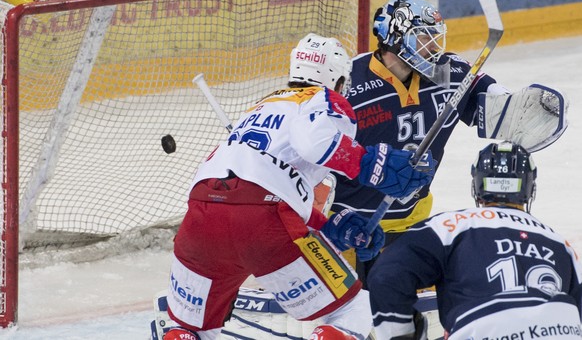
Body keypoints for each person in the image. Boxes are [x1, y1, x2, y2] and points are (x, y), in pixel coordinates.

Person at [161, 33, 436, 340]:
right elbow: (312, 143)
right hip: (261, 221)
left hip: (199, 217)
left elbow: (261, 183)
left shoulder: (259, 108)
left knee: (190, 329)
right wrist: (372, 166)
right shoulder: (325, 99)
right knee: (354, 310)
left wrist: (328, 225)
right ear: (340, 80)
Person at [331, 0, 568, 285]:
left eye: (436, 38)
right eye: (423, 38)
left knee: (404, 314)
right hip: (348, 225)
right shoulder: (349, 83)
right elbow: (314, 149)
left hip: (412, 221)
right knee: (348, 317)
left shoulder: (449, 72)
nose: (433, 47)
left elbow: (497, 108)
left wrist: (520, 112)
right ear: (395, 38)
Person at [367, 141, 582, 339]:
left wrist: (400, 334)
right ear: (529, 188)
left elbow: (386, 276)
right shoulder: (561, 244)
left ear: (477, 185)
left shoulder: (449, 226)